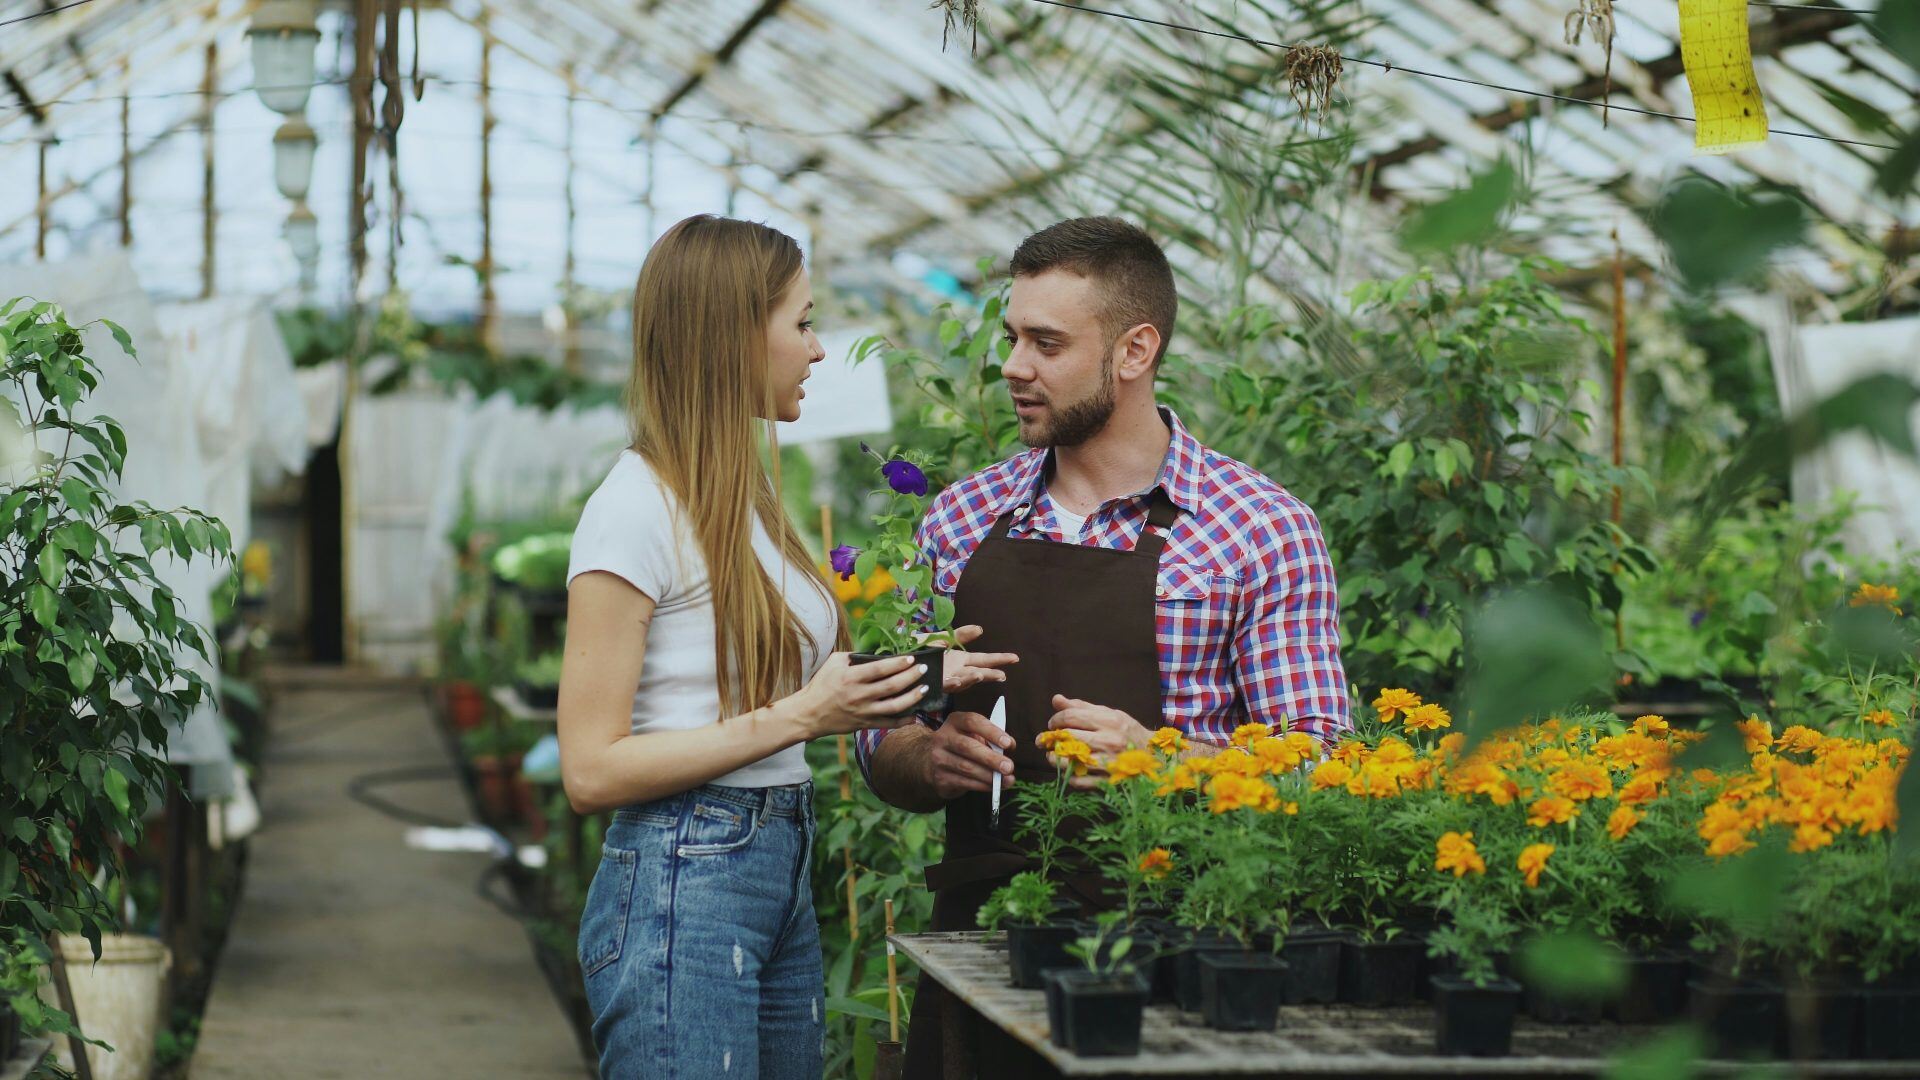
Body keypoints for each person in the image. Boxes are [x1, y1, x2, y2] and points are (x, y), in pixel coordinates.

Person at [852, 216, 1352, 1077]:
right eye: (1013, 337)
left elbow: (1325, 762)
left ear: (1134, 351)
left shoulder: (1262, 529)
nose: (1013, 365)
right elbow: (879, 736)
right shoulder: (961, 518)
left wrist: (1164, 760)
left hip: (1184, 956)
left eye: (1046, 343)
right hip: (986, 949)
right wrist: (924, 755)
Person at [557, 214, 1015, 1080]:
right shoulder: (634, 509)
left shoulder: (744, 501)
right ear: (733, 333)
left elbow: (759, 692)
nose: (816, 350)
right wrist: (803, 716)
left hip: (772, 861)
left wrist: (919, 680)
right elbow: (591, 769)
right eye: (802, 323)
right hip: (683, 877)